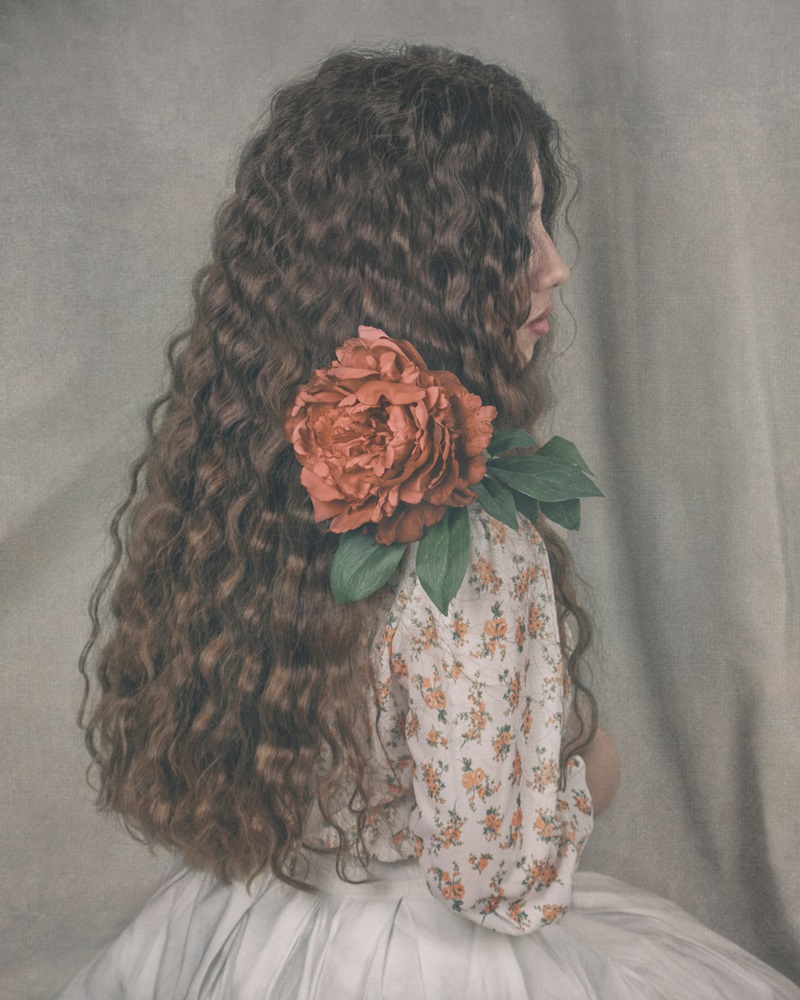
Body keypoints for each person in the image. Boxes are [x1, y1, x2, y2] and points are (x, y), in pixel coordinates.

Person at [57, 45, 798, 999]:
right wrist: (586, 762)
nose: (556, 266)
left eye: (543, 218)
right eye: (515, 227)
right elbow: (494, 872)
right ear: (425, 264)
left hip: (254, 929)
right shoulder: (471, 537)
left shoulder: (253, 491)